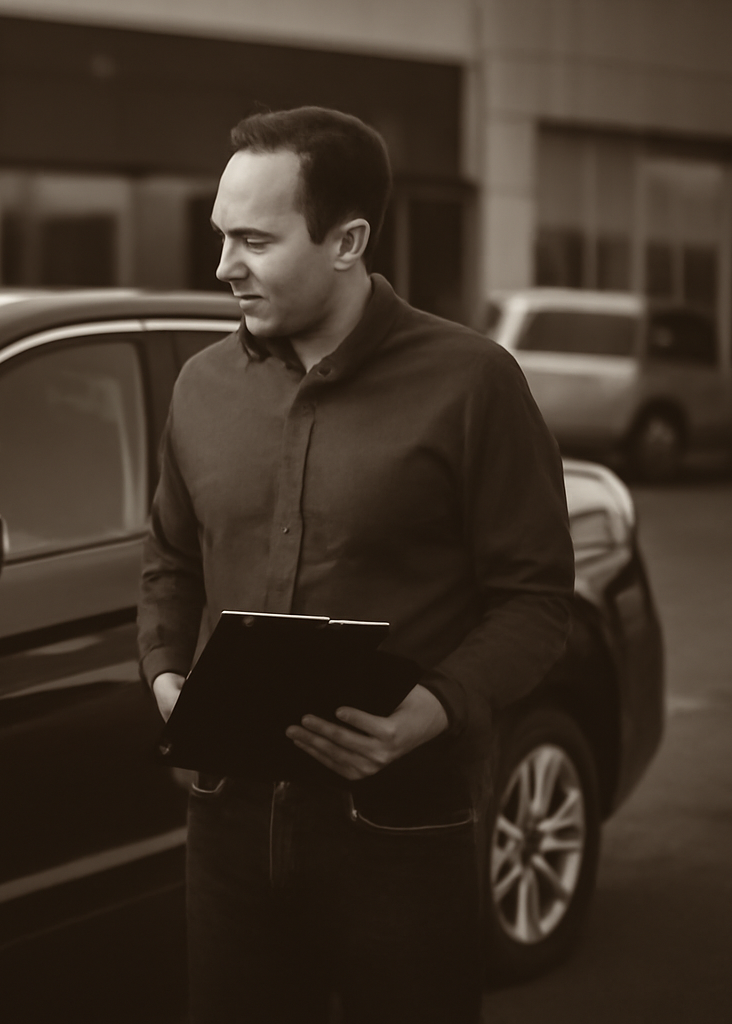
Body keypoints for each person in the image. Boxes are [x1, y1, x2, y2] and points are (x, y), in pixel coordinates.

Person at [138, 106, 575, 1023]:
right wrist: (168, 675)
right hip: (227, 816)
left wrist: (430, 711)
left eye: (255, 240)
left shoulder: (473, 383)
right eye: (220, 236)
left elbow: (536, 602)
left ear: (349, 241)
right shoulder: (200, 386)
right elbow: (173, 560)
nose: (223, 266)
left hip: (400, 821)